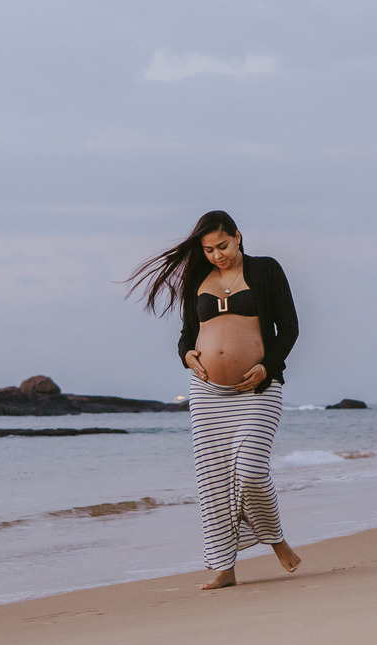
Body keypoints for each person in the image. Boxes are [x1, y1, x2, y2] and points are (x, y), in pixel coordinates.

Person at [127, 210, 302, 589]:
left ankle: (277, 541)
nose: (217, 255)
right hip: (208, 395)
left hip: (256, 389)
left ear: (238, 236)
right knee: (214, 480)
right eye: (208, 250)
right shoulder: (197, 280)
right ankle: (225, 567)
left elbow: (289, 326)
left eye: (222, 246)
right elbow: (188, 333)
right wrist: (186, 355)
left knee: (251, 471)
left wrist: (268, 367)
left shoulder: (266, 270)